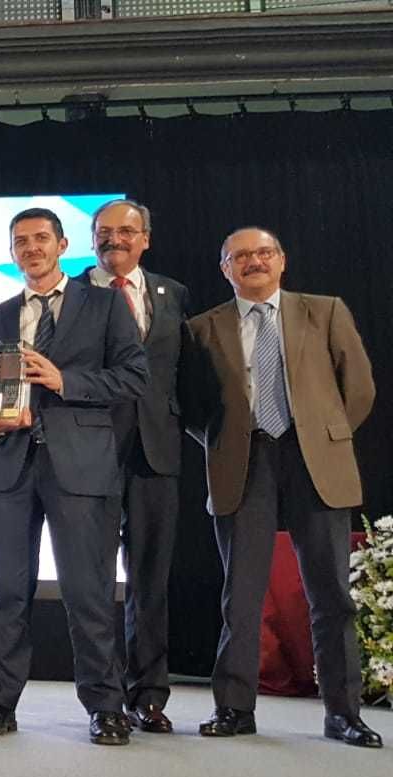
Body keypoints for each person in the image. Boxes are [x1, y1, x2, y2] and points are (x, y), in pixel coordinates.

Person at [180, 227, 380, 748]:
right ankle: (234, 709)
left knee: (331, 595)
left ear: (282, 260)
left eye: (263, 252)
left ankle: (343, 713)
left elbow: (359, 388)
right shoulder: (203, 327)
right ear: (225, 268)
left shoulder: (325, 311)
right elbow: (192, 406)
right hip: (245, 461)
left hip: (315, 459)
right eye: (240, 256)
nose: (254, 262)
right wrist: (225, 443)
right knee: (241, 595)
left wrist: (324, 435)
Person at [0, 208, 147, 745]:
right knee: (8, 592)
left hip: (82, 464)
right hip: (10, 465)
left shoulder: (105, 304)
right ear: (12, 252)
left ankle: (106, 706)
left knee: (88, 592)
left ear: (63, 245)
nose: (31, 248)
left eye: (41, 238)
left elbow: (134, 377)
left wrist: (63, 379)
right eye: (20, 241)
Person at [82, 200, 190, 733]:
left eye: (126, 230)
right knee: (95, 579)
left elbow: (183, 374)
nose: (114, 239)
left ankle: (148, 694)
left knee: (150, 578)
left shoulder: (173, 294)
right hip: (91, 450)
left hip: (156, 451)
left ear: (145, 237)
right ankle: (104, 697)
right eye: (104, 231)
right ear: (91, 239)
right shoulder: (72, 294)